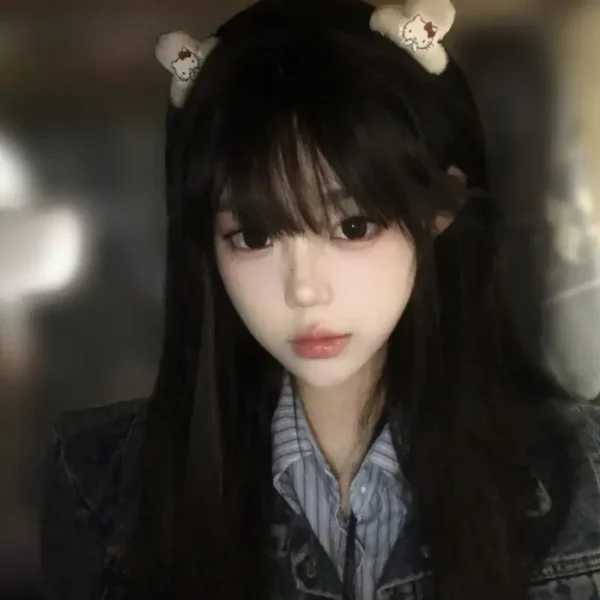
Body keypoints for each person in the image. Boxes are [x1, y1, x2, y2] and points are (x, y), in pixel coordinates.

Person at [41, 0, 600, 599]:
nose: (304, 289)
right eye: (254, 236)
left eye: (353, 227)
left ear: (439, 208)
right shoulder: (100, 482)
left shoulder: (585, 472)